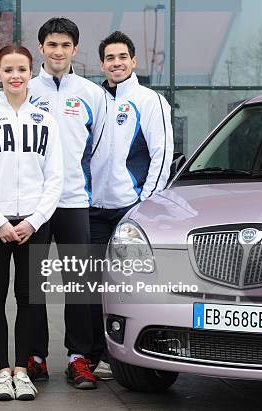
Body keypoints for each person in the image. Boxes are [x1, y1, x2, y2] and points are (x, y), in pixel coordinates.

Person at [0, 45, 63, 401]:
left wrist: (35, 221)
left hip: (34, 225)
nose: (16, 75)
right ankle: (2, 370)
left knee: (30, 298)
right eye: (8, 70)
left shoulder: (46, 120)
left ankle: (23, 370)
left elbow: (55, 179)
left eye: (21, 69)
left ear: (30, 71)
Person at [27, 17, 107, 389]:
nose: (58, 51)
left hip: (75, 201)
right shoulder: (25, 89)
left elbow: (98, 151)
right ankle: (35, 356)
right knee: (34, 282)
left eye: (65, 45)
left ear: (75, 50)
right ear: (41, 48)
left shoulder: (91, 94)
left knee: (79, 283)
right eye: (51, 45)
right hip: (34, 202)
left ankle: (79, 357)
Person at [90, 30, 173, 376]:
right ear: (102, 64)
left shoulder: (149, 100)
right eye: (110, 58)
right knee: (90, 286)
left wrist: (144, 206)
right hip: (93, 208)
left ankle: (125, 356)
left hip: (130, 209)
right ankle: (94, 354)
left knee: (129, 286)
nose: (116, 63)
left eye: (122, 57)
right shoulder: (93, 99)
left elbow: (162, 154)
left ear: (133, 61)